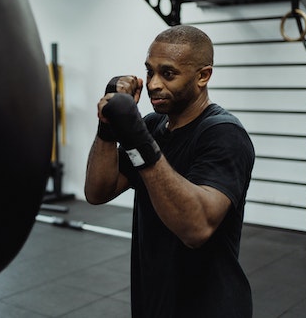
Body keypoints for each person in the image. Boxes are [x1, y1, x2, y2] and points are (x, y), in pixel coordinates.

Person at [85, 25, 254, 317]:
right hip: (154, 298)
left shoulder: (224, 134)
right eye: (150, 72)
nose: (153, 85)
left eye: (168, 74)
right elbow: (98, 191)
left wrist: (140, 141)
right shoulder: (153, 126)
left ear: (203, 76)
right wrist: (108, 128)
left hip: (209, 307)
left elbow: (196, 228)